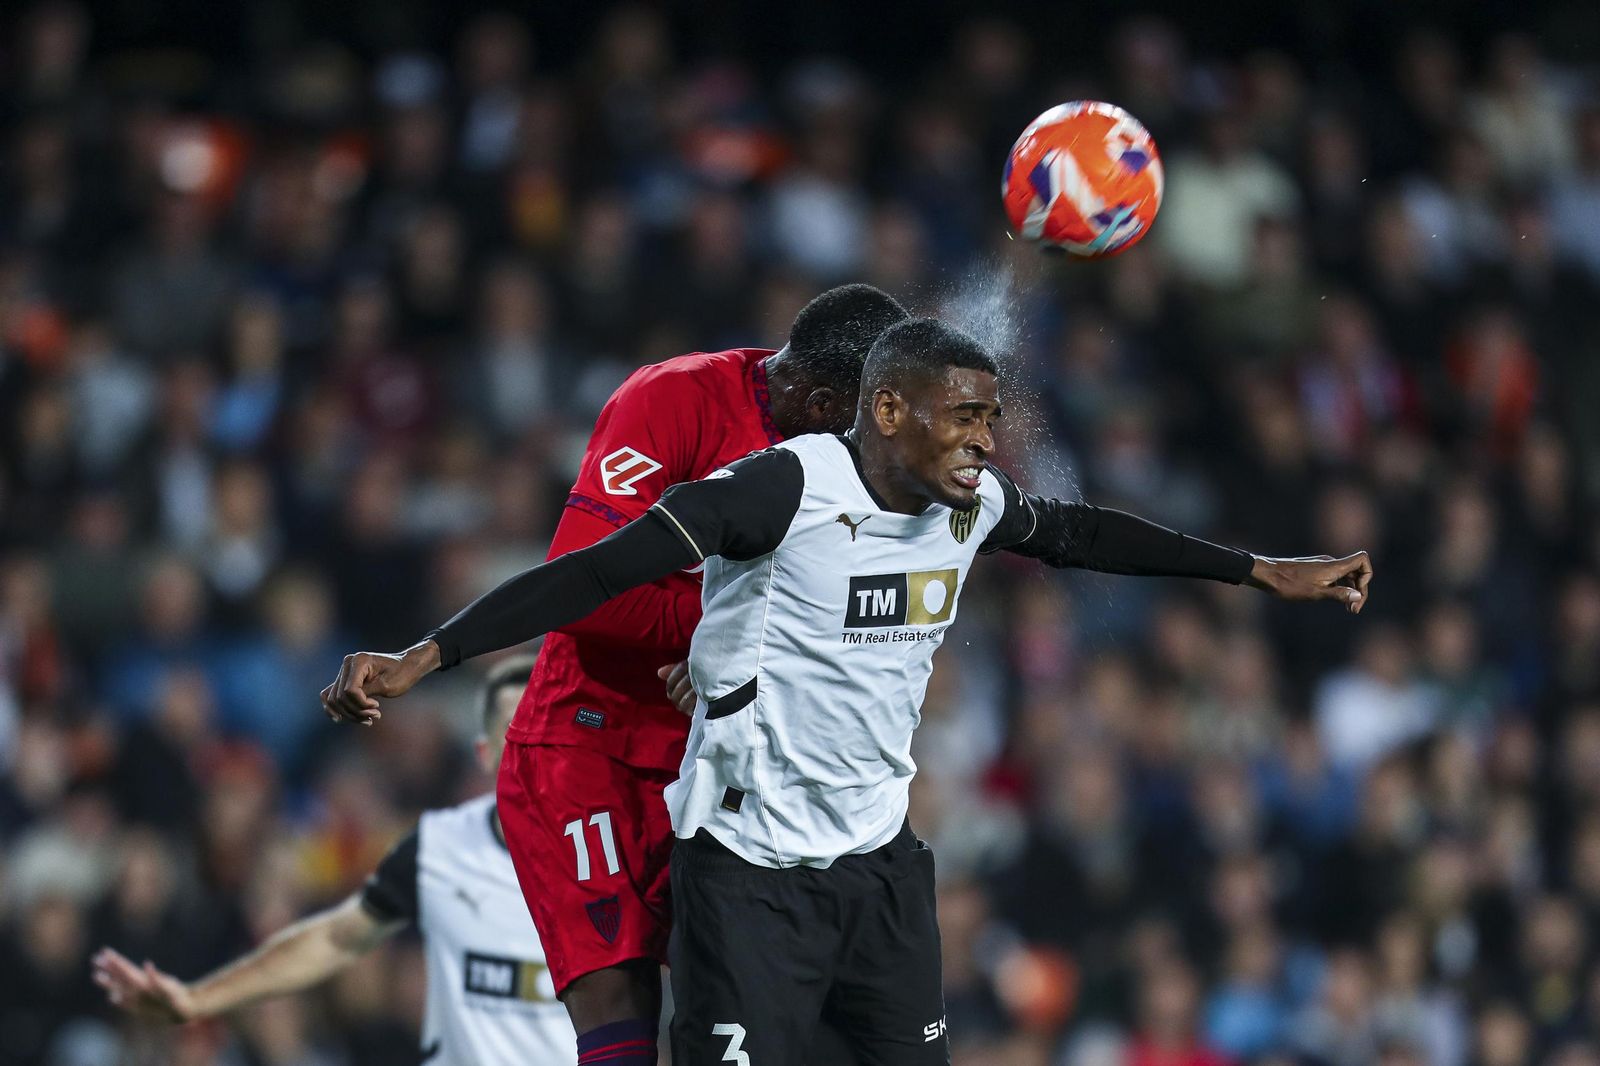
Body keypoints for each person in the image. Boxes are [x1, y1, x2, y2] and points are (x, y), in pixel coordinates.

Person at [323, 317, 1373, 1064]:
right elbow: (595, 571)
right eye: (963, 418)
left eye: (990, 418)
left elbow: (1087, 534)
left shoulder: (968, 504)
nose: (983, 441)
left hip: (877, 872)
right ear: (883, 409)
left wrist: (1258, 569)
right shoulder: (781, 490)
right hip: (746, 874)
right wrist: (424, 657)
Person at [347, 283, 906, 1066]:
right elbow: (584, 589)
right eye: (868, 416)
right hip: (588, 750)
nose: (883, 439)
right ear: (821, 400)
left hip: (717, 767)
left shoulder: (871, 464)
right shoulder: (675, 401)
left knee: (768, 1017)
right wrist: (725, 641)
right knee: (621, 1010)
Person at [95, 658, 577, 1066]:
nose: (530, 751)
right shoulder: (439, 848)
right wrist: (197, 999)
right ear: (484, 752)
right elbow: (334, 936)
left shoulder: (606, 848)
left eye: (543, 734)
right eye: (513, 736)